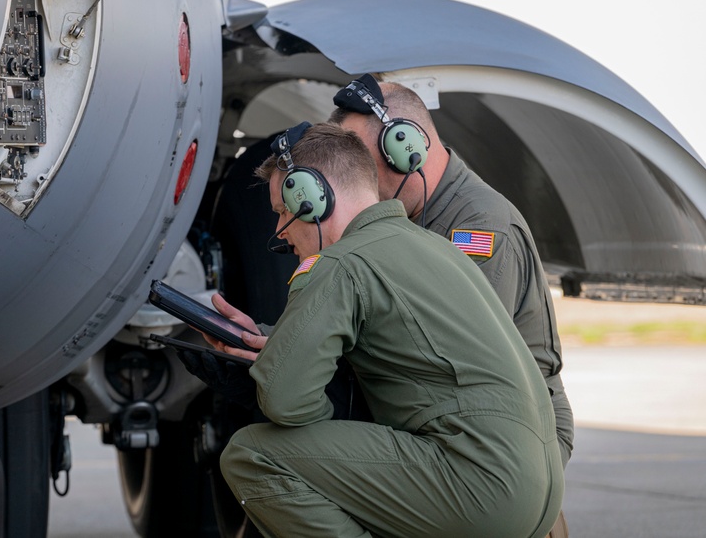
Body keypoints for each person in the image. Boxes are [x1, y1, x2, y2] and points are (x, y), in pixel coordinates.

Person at [211, 122, 562, 537]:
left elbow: (286, 402)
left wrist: (291, 377)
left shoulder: (341, 263)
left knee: (252, 455)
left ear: (312, 198)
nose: (280, 232)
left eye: (283, 211)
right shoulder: (434, 246)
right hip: (539, 491)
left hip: (482, 487)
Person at [327, 75, 574, 470]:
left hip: (516, 436)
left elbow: (446, 354)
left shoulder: (480, 227)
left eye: (364, 166)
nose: (356, 183)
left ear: (406, 148)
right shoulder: (407, 217)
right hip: (454, 417)